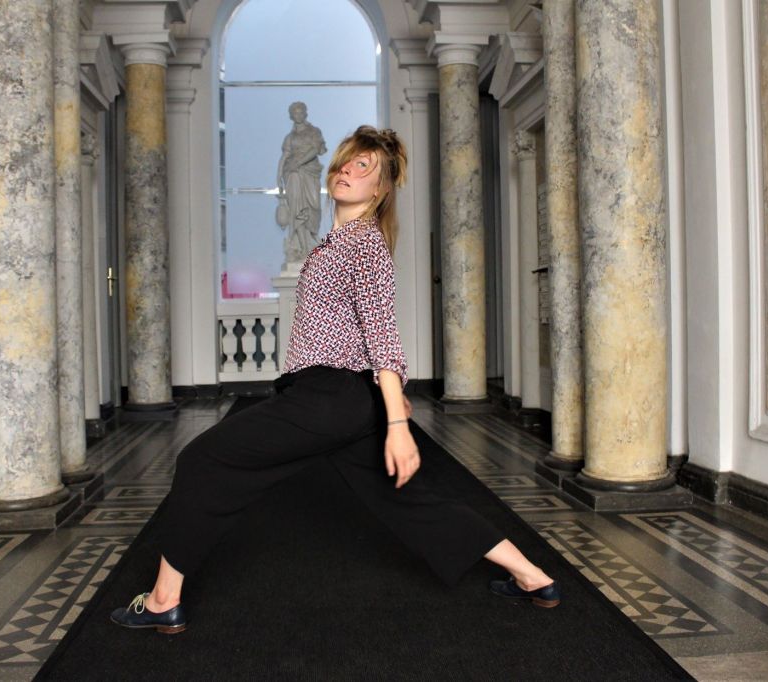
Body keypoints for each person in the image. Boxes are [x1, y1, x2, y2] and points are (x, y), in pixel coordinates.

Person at [111, 126, 559, 634]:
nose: (348, 170)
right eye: (347, 161)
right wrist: (384, 400)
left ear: (381, 189)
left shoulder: (364, 243)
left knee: (202, 460)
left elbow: (382, 330)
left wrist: (396, 422)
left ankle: (164, 599)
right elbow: (358, 332)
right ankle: (534, 576)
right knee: (409, 499)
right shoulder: (338, 243)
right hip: (344, 399)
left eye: (364, 167)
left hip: (326, 397)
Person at [276, 102, 326, 264]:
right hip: (293, 174)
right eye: (295, 113)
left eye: (300, 112)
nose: (298, 115)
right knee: (298, 209)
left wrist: (298, 163)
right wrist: (279, 176)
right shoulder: (289, 137)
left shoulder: (314, 132)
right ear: (292, 116)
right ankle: (304, 249)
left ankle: (311, 242)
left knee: (314, 206)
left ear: (305, 113)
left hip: (310, 172)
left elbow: (315, 150)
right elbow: (284, 157)